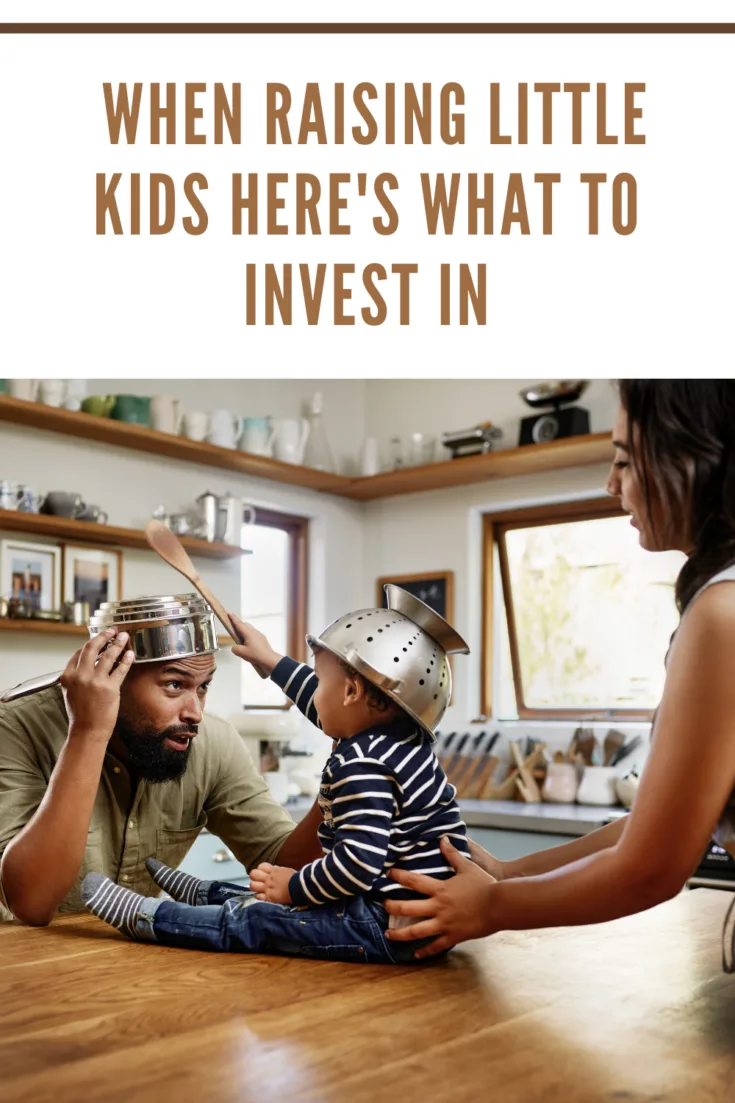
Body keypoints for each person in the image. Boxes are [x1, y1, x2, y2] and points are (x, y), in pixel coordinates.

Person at [382, 378, 735, 966]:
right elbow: (645, 828)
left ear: (695, 454)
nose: (612, 482)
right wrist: (506, 873)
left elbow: (649, 867)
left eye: (625, 458)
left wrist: (489, 909)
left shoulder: (722, 614)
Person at [81, 597, 471, 964]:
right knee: (277, 902)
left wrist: (294, 886)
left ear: (352, 692)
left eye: (320, 679)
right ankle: (207, 895)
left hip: (388, 927)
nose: (313, 690)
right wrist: (268, 660)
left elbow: (356, 865)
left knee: (259, 921)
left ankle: (153, 917)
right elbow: (321, 704)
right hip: (407, 918)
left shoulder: (362, 762)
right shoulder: (399, 742)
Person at [0, 601, 324, 925]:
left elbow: (290, 868)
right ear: (113, 676)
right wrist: (89, 731)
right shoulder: (14, 728)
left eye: (203, 686)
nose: (195, 711)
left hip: (138, 964)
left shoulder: (213, 742)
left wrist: (346, 767)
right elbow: (31, 903)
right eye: (174, 684)